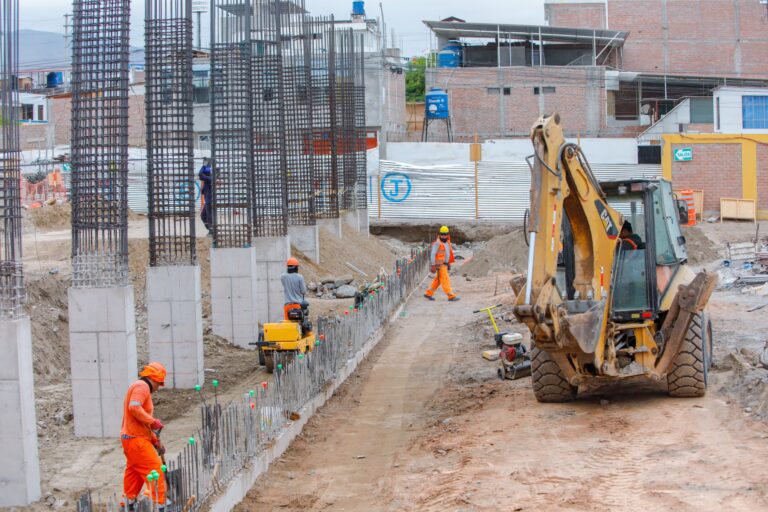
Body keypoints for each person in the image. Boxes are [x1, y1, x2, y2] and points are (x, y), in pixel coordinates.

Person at [121, 362, 168, 511]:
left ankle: (128, 505)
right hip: (136, 441)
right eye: (159, 383)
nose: (158, 387)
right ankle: (159, 505)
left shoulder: (139, 386)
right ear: (154, 378)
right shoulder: (142, 387)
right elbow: (134, 407)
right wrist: (153, 421)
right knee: (156, 471)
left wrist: (155, 441)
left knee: (134, 475)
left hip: (133, 440)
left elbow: (142, 424)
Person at [425, 225, 460, 301]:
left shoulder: (447, 243)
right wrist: (433, 265)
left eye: (445, 234)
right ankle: (451, 296)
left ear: (448, 235)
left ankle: (428, 293)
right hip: (439, 265)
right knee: (445, 279)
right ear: (439, 234)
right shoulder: (437, 243)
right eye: (442, 234)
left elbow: (447, 254)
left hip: (444, 264)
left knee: (437, 280)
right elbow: (433, 254)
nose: (443, 236)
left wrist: (448, 263)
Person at [199, 158, 213, 235]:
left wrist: (204, 164)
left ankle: (212, 231)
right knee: (203, 215)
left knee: (209, 217)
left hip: (210, 201)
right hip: (208, 200)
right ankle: (211, 230)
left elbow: (200, 174)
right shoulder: (209, 179)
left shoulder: (210, 179)